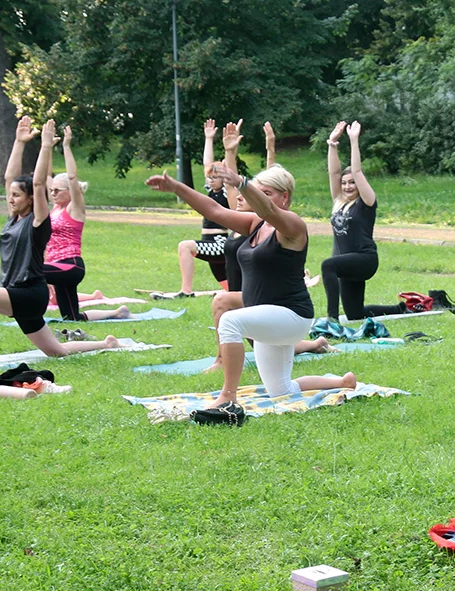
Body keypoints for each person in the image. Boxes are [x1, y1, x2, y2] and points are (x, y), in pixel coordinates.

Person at [147, 150, 346, 418]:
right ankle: (342, 381)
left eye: (267, 192)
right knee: (281, 390)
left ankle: (228, 397)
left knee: (230, 321)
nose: (259, 196)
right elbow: (215, 210)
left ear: (284, 197)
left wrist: (242, 183)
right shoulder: (255, 223)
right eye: (258, 190)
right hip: (267, 316)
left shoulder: (293, 226)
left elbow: (268, 209)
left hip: (292, 316)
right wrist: (176, 188)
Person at [0, 117, 118, 366]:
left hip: (29, 292)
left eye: (16, 195)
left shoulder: (38, 222)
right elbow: (10, 177)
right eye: (10, 195)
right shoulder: (13, 218)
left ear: (31, 199)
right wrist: (19, 142)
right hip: (19, 291)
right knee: (56, 352)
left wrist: (44, 146)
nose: (10, 199)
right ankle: (105, 343)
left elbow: (40, 182)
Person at [201, 121, 333, 376]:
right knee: (229, 310)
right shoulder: (244, 215)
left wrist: (270, 147)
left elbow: (262, 197)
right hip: (251, 296)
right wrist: (229, 152)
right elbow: (231, 188)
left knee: (249, 328)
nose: (242, 197)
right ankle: (317, 346)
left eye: (264, 192)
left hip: (270, 301)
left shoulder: (268, 218)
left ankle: (228, 388)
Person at [43, 124, 130, 322]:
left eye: (58, 190)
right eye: (52, 190)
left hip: (70, 266)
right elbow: (45, 177)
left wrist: (66, 146)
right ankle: (117, 313)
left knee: (29, 271)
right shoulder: (55, 207)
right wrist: (46, 147)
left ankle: (25, 313)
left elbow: (72, 177)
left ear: (70, 191)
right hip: (56, 265)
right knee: (71, 317)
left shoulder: (74, 208)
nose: (53, 193)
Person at [320, 121, 398, 320]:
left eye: (351, 183)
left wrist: (354, 140)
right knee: (355, 315)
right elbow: (334, 173)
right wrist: (332, 143)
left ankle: (332, 319)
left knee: (327, 265)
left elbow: (357, 171)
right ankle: (400, 308)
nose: (347, 186)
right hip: (346, 264)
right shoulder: (339, 200)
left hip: (364, 259)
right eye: (344, 184)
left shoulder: (366, 202)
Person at [175, 119, 232, 296]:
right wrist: (208, 139)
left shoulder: (225, 192)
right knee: (231, 288)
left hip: (219, 244)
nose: (211, 179)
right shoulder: (211, 191)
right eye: (209, 178)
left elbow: (227, 171)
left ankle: (186, 290)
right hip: (209, 243)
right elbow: (208, 165)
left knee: (185, 246)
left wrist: (229, 152)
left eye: (216, 177)